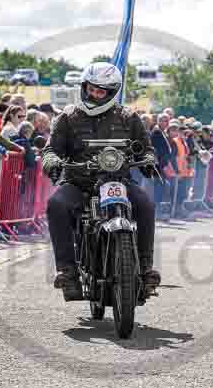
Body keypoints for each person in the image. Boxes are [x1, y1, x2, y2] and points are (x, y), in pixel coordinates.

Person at [42, 62, 160, 300]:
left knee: (146, 204)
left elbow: (147, 149)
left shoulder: (129, 117)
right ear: (84, 87)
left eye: (101, 91)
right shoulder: (68, 117)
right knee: (56, 204)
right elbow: (50, 150)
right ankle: (68, 271)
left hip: (119, 182)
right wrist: (52, 162)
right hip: (79, 183)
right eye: (91, 89)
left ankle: (146, 269)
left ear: (112, 92)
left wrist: (148, 160)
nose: (94, 94)